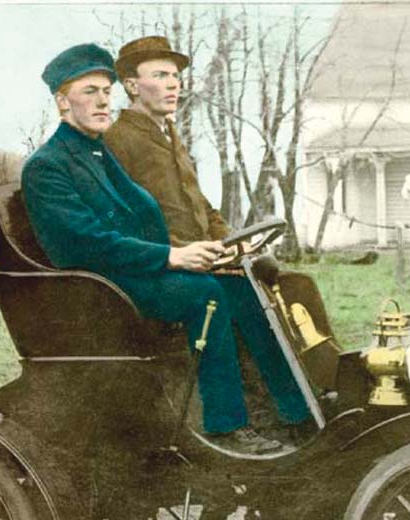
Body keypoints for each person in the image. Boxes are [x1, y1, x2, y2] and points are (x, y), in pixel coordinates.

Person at [20, 43, 291, 455]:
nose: (102, 100)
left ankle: (290, 413)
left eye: (106, 91)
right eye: (89, 91)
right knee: (208, 297)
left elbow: (145, 216)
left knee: (240, 288)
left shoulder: (94, 151)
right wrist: (172, 256)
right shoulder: (48, 165)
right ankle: (225, 428)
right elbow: (85, 243)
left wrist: (209, 251)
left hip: (129, 273)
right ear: (62, 101)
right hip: (99, 289)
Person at [105, 36, 312, 438]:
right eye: (160, 75)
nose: (173, 85)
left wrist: (233, 241)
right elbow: (128, 224)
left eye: (176, 77)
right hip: (164, 268)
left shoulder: (169, 135)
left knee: (266, 286)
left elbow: (201, 205)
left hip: (202, 258)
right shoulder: (118, 141)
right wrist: (183, 252)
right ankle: (227, 426)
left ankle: (296, 413)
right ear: (131, 85)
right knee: (222, 299)